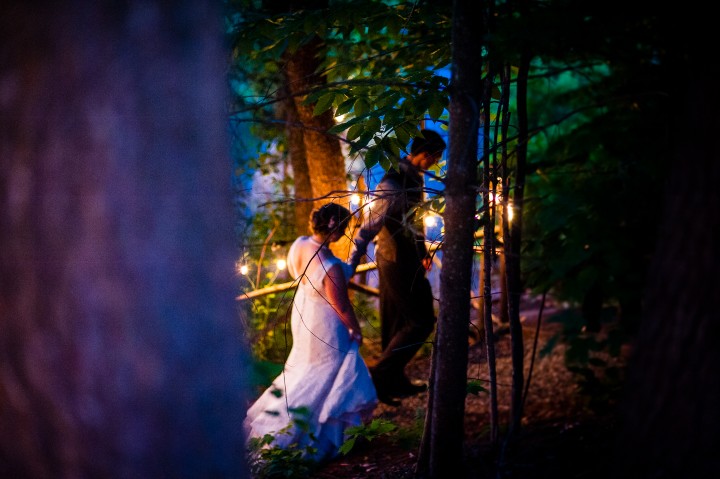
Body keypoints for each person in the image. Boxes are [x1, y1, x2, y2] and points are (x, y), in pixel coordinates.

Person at [244, 203, 377, 463]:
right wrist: (355, 328)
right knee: (329, 371)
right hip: (326, 325)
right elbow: (341, 304)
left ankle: (283, 430)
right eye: (344, 226)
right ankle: (315, 438)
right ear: (333, 225)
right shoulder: (329, 264)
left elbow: (314, 276)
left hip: (304, 316)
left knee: (304, 370)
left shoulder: (300, 245)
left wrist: (353, 256)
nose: (345, 231)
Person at [349, 129, 447, 406]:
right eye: (435, 158)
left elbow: (414, 221)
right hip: (394, 261)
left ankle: (394, 381)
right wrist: (351, 263)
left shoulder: (414, 178)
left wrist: (422, 251)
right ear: (426, 154)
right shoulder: (394, 181)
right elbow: (371, 225)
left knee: (396, 322)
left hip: (408, 259)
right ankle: (381, 376)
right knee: (421, 321)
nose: (435, 163)